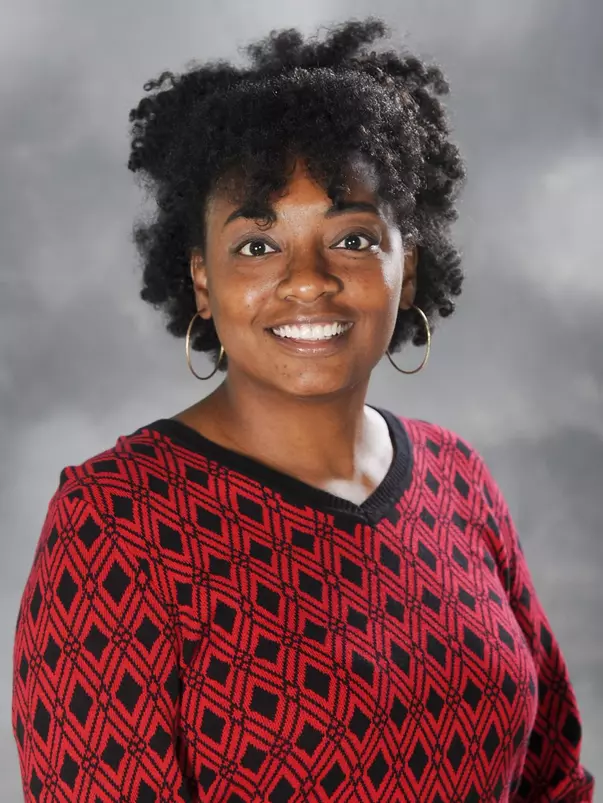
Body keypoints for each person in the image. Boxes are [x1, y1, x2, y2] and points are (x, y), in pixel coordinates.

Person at [12, 17, 594, 803]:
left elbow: (552, 777)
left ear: (407, 269)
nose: (309, 280)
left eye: (351, 239)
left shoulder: (457, 478)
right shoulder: (116, 523)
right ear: (203, 283)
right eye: (257, 246)